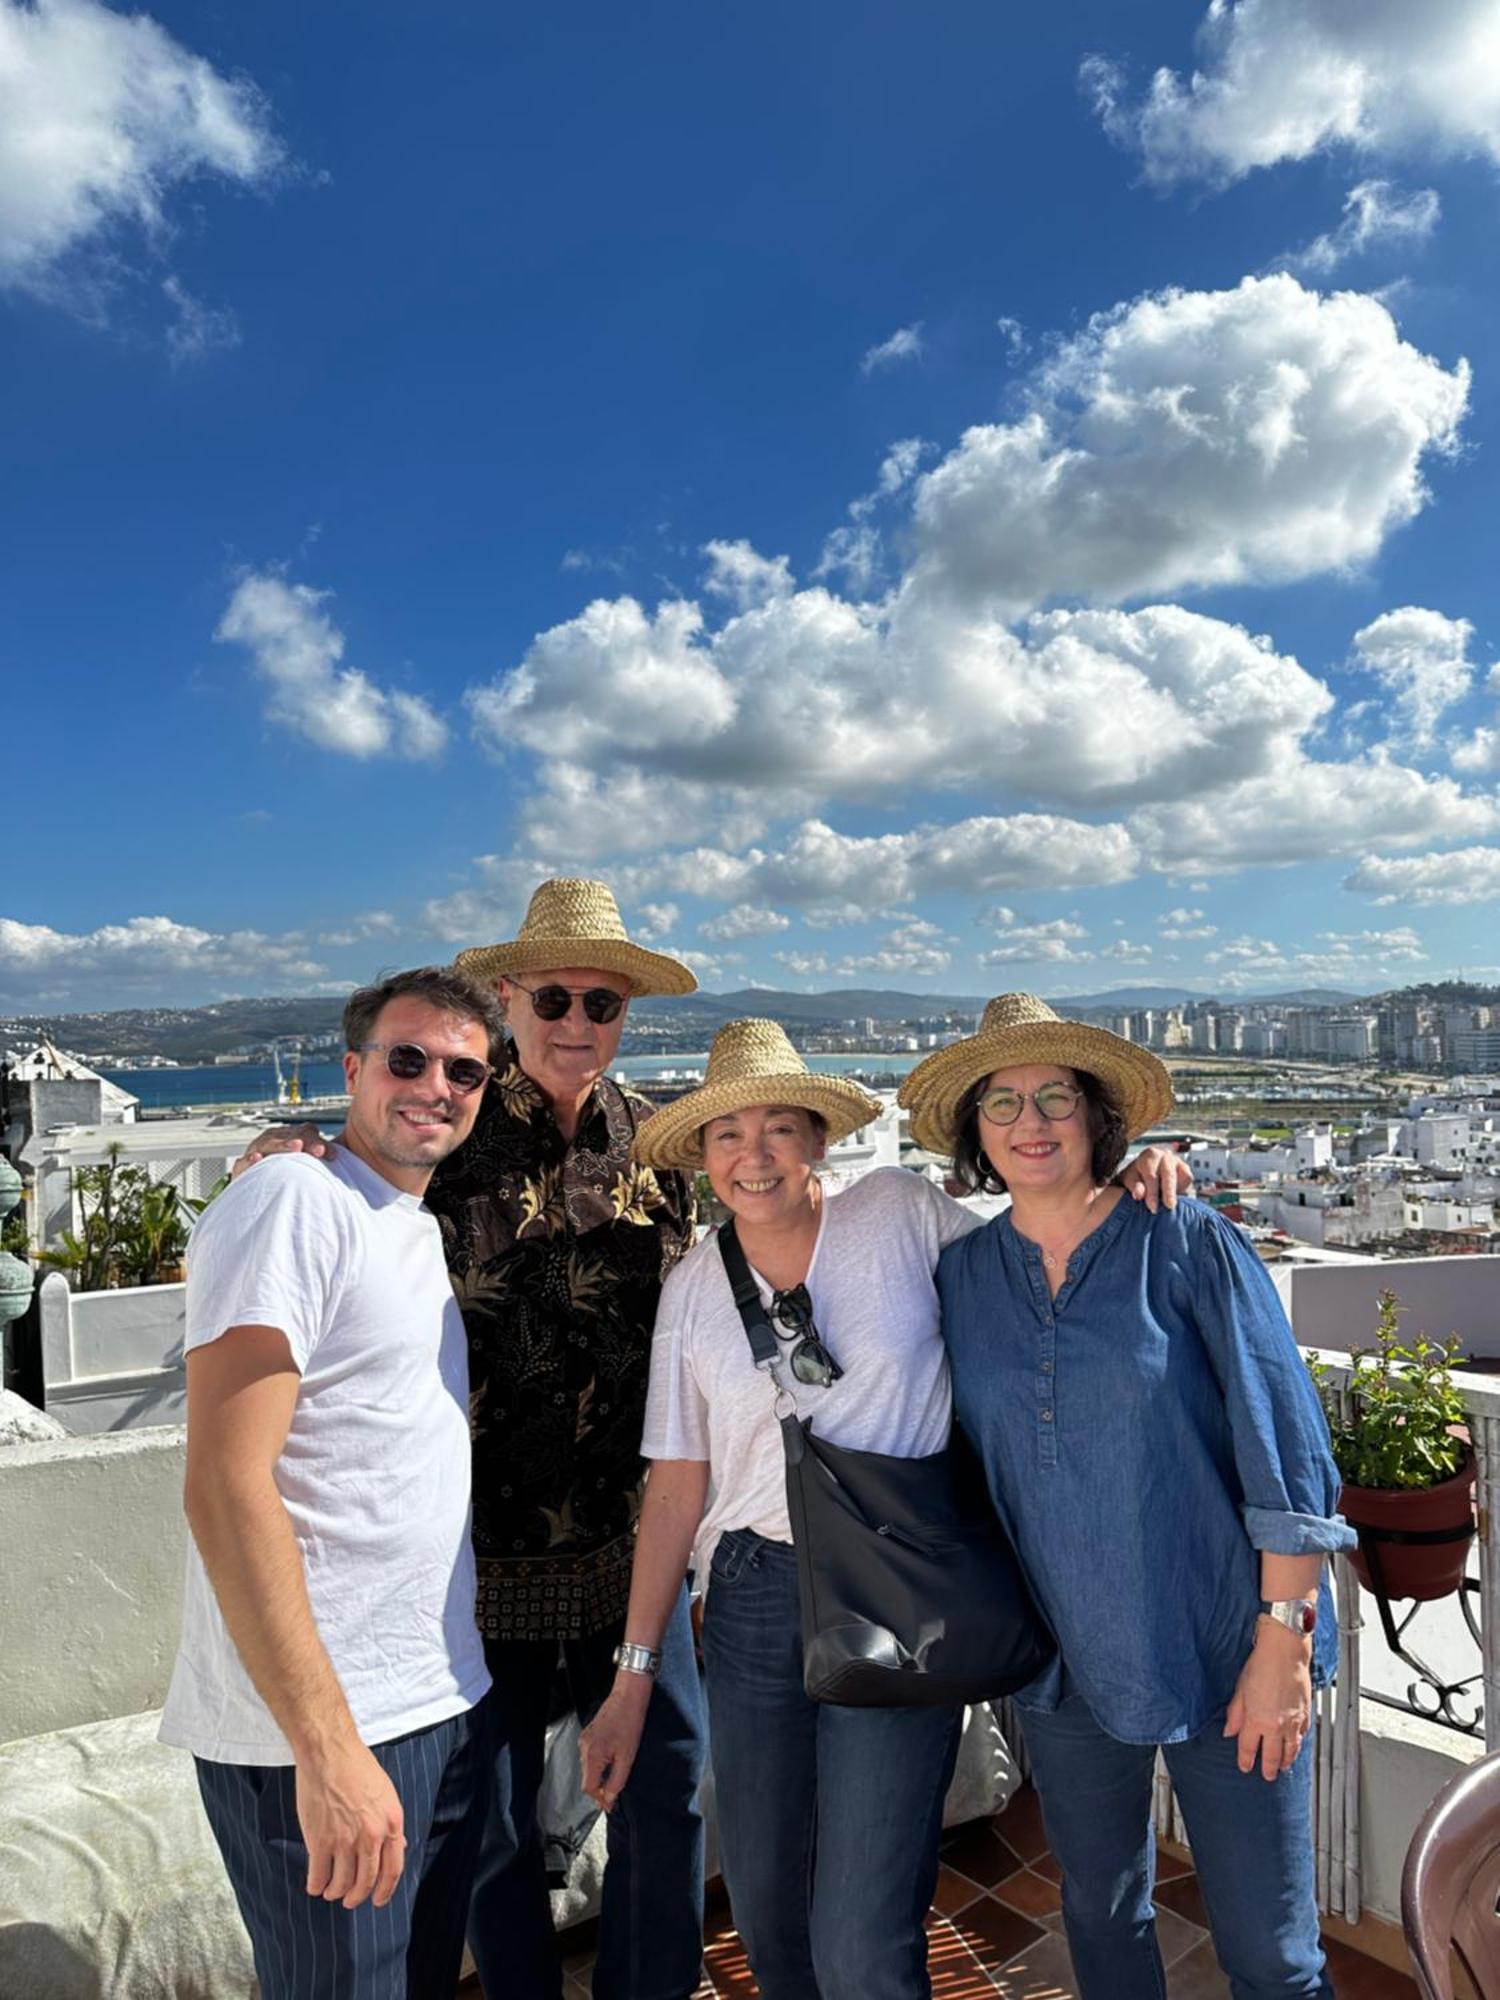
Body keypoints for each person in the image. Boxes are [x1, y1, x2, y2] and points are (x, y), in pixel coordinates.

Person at [577, 1018, 1191, 2000]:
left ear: (819, 1136)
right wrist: (634, 1674)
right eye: (728, 1135)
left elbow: (1033, 1268)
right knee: (770, 1917)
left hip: (903, 1585)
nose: (754, 1154)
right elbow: (675, 1489)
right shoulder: (692, 1289)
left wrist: (1125, 1188)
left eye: (779, 1126)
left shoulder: (900, 1212)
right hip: (751, 1597)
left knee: (863, 1936)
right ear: (701, 1157)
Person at [235, 879, 708, 2000]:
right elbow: (341, 1202)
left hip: (627, 1547)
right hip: (472, 1564)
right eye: (553, 994)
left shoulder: (661, 1145)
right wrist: (288, 1143)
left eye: (603, 1000)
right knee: (490, 1832)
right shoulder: (439, 1130)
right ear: (508, 998)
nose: (578, 1019)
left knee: (670, 1782)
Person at [901, 993, 1356, 2000]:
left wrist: (1282, 1643)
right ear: (975, 1132)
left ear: (1099, 1115)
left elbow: (1286, 1453)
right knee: (1101, 1915)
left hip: (1227, 1644)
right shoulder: (963, 1276)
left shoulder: (1187, 1240)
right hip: (1064, 1668)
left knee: (1273, 1954)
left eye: (1055, 1095)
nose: (1031, 1121)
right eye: (1003, 1101)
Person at [159, 965, 506, 1999]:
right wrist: (326, 1747)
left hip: (436, 1699)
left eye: (463, 1069)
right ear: (352, 1069)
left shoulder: (406, 1220)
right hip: (324, 1732)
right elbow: (224, 1484)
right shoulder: (291, 1199)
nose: (434, 1083)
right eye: (407, 1057)